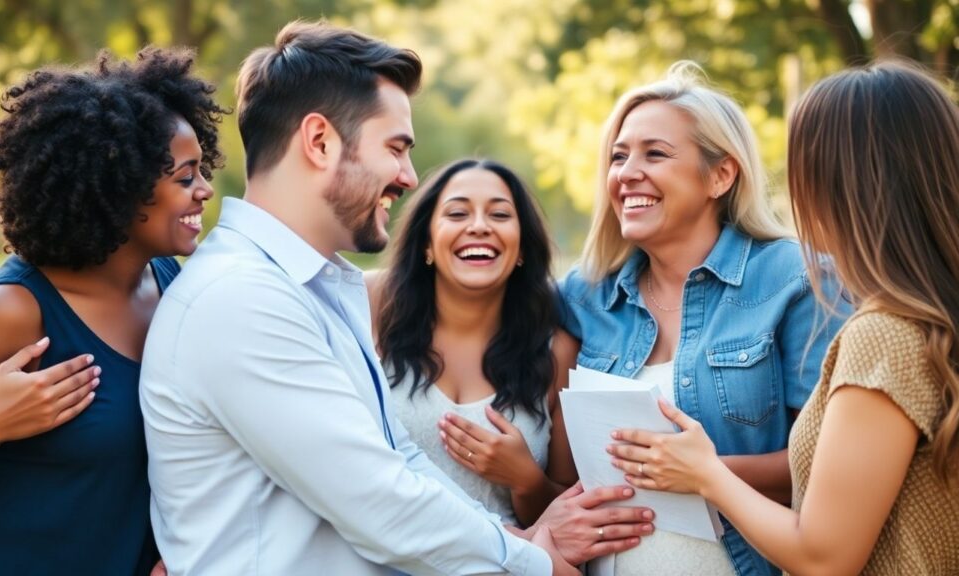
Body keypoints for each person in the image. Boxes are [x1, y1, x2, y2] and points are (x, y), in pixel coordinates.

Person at [140, 21, 653, 576]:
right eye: (396, 148)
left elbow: (398, 461)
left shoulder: (320, 290)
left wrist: (518, 539)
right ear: (319, 142)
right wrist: (536, 564)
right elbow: (377, 499)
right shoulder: (240, 300)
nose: (409, 176)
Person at [609, 60, 959, 575]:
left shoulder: (884, 335)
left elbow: (823, 559)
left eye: (807, 169)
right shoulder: (926, 320)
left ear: (842, 185)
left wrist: (707, 473)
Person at [0, 47, 224, 575]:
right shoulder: (11, 312)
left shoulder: (173, 287)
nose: (205, 190)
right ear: (120, 187)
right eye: (185, 178)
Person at [558, 62, 850, 576]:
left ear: (721, 174)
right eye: (619, 156)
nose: (627, 173)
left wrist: (701, 473)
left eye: (655, 154)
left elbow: (833, 466)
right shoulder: (584, 296)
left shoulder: (796, 279)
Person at [368, 158, 581, 527]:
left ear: (523, 250)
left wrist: (526, 480)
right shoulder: (373, 303)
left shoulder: (558, 352)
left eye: (499, 215)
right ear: (427, 245)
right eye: (457, 213)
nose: (479, 226)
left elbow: (568, 512)